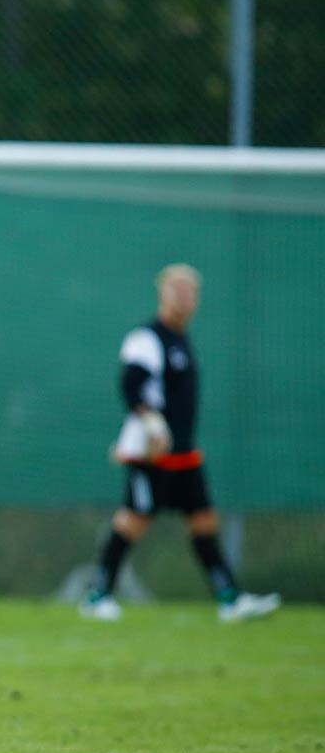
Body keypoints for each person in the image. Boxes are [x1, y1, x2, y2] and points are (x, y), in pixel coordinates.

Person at [82, 264, 279, 624]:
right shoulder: (147, 337)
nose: (184, 298)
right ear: (162, 294)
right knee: (132, 521)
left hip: (185, 454)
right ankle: (97, 596)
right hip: (153, 453)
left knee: (204, 522)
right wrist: (151, 422)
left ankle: (230, 599)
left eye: (190, 293)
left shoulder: (182, 339)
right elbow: (131, 385)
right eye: (177, 291)